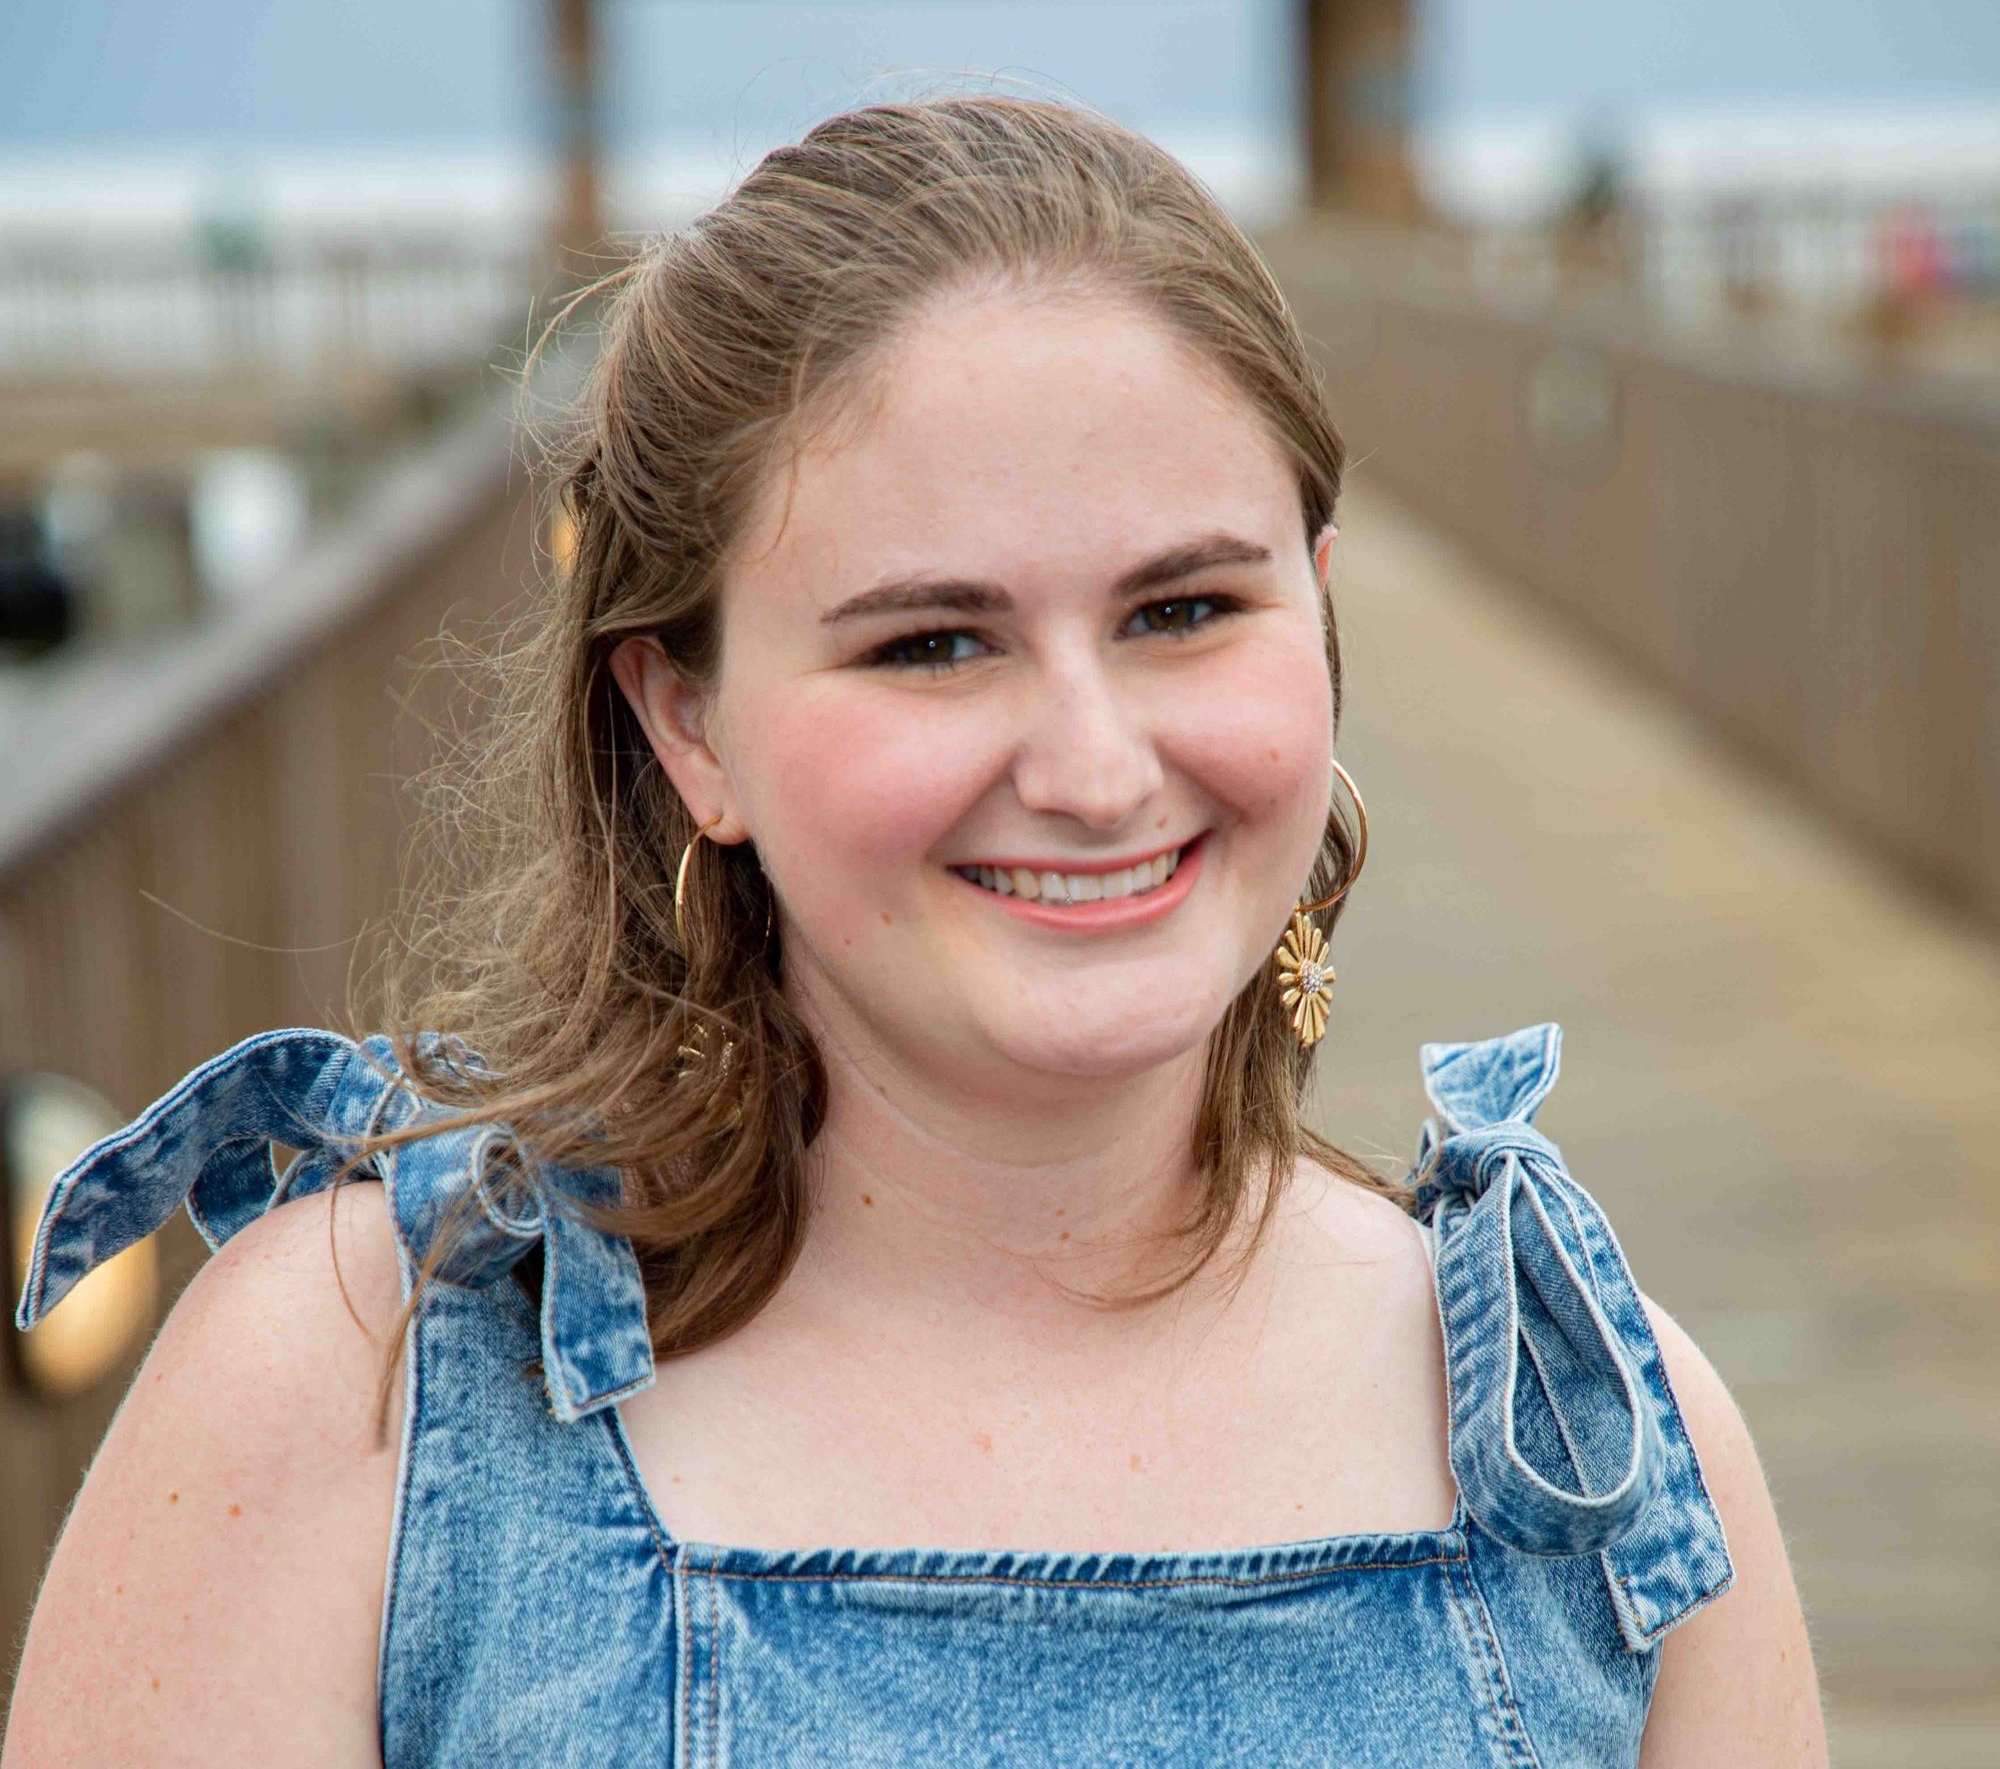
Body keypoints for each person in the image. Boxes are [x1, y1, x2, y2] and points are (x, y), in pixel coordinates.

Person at [5, 97, 1827, 1766]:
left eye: (1186, 607)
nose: (1099, 768)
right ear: (688, 725)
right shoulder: (357, 1400)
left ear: (1322, 619)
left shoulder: (1599, 1444)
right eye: (931, 643)